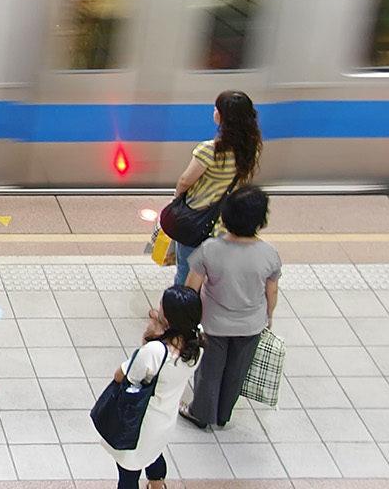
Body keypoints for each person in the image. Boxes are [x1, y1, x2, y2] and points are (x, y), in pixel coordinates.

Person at [182, 186, 280, 430]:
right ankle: (224, 414)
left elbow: (191, 288)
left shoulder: (209, 250)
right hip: (251, 325)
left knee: (210, 371)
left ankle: (201, 413)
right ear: (261, 221)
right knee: (236, 371)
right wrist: (268, 316)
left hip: (215, 323)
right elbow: (272, 291)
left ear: (225, 217)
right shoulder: (269, 254)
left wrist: (186, 321)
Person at [105, 285, 204, 489]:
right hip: (166, 417)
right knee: (155, 451)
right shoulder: (198, 343)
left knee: (128, 470)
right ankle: (158, 484)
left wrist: (148, 338)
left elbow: (123, 376)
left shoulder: (155, 351)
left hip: (141, 421)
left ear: (167, 318)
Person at [170, 90, 261, 286]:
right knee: (210, 273)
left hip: (195, 220)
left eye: (216, 108)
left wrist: (176, 201)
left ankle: (175, 315)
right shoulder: (250, 149)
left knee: (186, 273)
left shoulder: (209, 150)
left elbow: (185, 181)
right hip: (224, 223)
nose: (214, 111)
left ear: (222, 117)